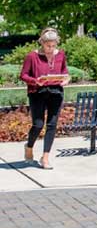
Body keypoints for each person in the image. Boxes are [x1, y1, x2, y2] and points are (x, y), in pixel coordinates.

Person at [20, 28, 69, 169]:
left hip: (56, 92)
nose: (51, 49)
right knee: (38, 124)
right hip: (38, 92)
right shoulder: (32, 56)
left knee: (52, 125)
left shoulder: (60, 55)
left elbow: (64, 71)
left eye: (53, 45)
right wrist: (36, 81)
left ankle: (45, 157)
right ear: (42, 43)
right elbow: (23, 75)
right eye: (48, 46)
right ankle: (29, 147)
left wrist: (66, 79)